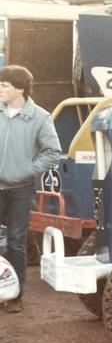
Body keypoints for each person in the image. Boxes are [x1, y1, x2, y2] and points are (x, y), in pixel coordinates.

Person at [0, 65, 61, 313]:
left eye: (4, 85)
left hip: (20, 190)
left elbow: (53, 152)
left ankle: (14, 295)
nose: (0, 89)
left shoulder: (40, 117)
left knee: (15, 242)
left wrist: (26, 170)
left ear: (20, 89)